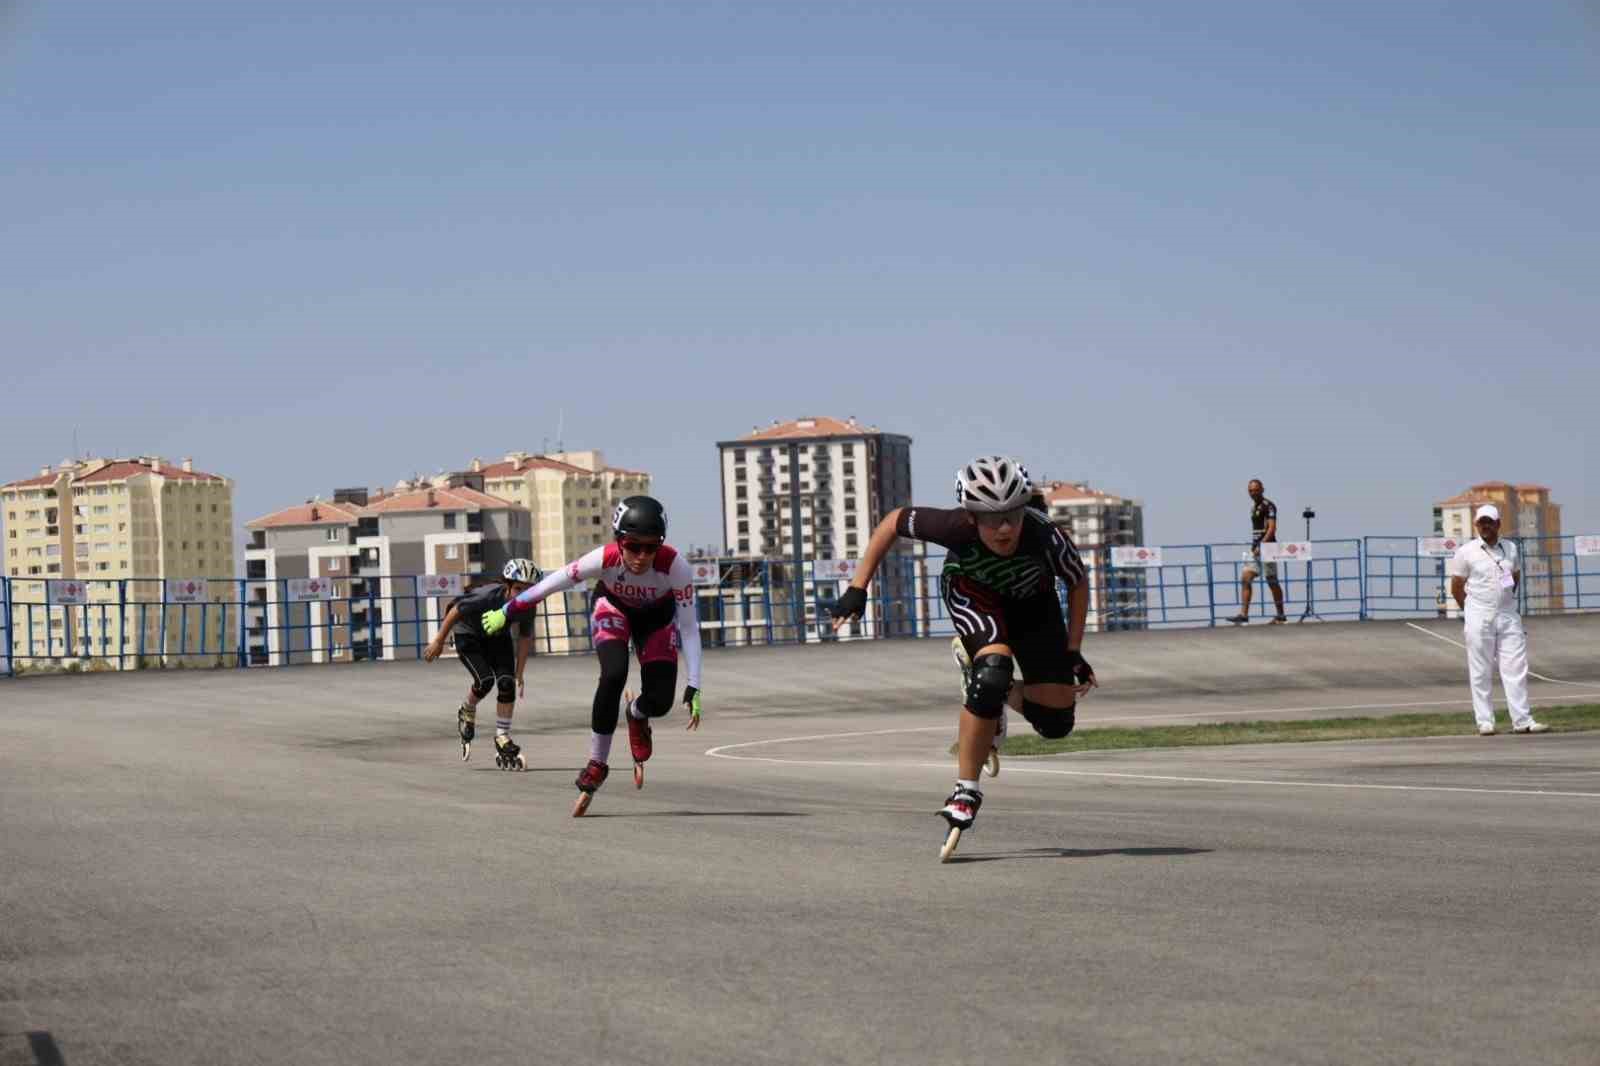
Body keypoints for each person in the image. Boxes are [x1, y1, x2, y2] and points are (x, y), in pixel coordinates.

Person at [831, 455, 1095, 861]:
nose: (1004, 528)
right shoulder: (950, 526)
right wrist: (858, 586)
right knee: (991, 673)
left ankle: (996, 689)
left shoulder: (1046, 537)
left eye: (1012, 515)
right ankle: (965, 791)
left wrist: (1074, 651)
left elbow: (1077, 583)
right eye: (991, 519)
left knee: (1056, 723)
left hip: (1034, 606)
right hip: (976, 597)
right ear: (971, 518)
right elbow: (893, 521)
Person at [482, 496, 703, 814]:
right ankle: (597, 762)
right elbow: (550, 584)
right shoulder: (604, 558)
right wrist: (508, 609)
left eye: (651, 548)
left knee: (661, 701)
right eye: (633, 546)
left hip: (656, 619)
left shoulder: (675, 567)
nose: (641, 556)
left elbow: (689, 627)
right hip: (613, 607)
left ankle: (637, 714)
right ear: (619, 540)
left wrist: (695, 682)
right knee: (613, 674)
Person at [424, 558, 541, 769]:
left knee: (506, 683)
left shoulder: (528, 605)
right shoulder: (488, 595)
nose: (523, 595)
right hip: (468, 633)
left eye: (529, 590)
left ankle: (502, 736)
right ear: (506, 586)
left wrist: (519, 673)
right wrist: (439, 641)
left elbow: (525, 638)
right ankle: (467, 709)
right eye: (517, 589)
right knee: (485, 681)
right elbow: (456, 610)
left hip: (496, 635)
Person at [1448, 504, 1547, 736]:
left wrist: (1506, 599)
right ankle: (1485, 721)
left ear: (1498, 524)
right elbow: (1456, 587)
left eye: (1489, 522)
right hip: (1479, 614)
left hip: (1507, 614)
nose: (1485, 526)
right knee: (1481, 669)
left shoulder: (1510, 549)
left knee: (1516, 667)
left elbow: (1515, 576)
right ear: (1476, 525)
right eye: (1481, 522)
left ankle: (1522, 720)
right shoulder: (1466, 552)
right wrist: (1470, 611)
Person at [1228, 478, 1286, 624]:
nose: (1253, 493)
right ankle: (1244, 615)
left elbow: (1272, 529)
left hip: (1268, 548)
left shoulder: (1269, 506)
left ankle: (1280, 615)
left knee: (1272, 581)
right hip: (1255, 549)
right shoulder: (1253, 507)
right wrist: (1255, 546)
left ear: (1262, 490)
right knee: (1245, 578)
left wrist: (1262, 545)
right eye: (1250, 490)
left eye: (1255, 490)